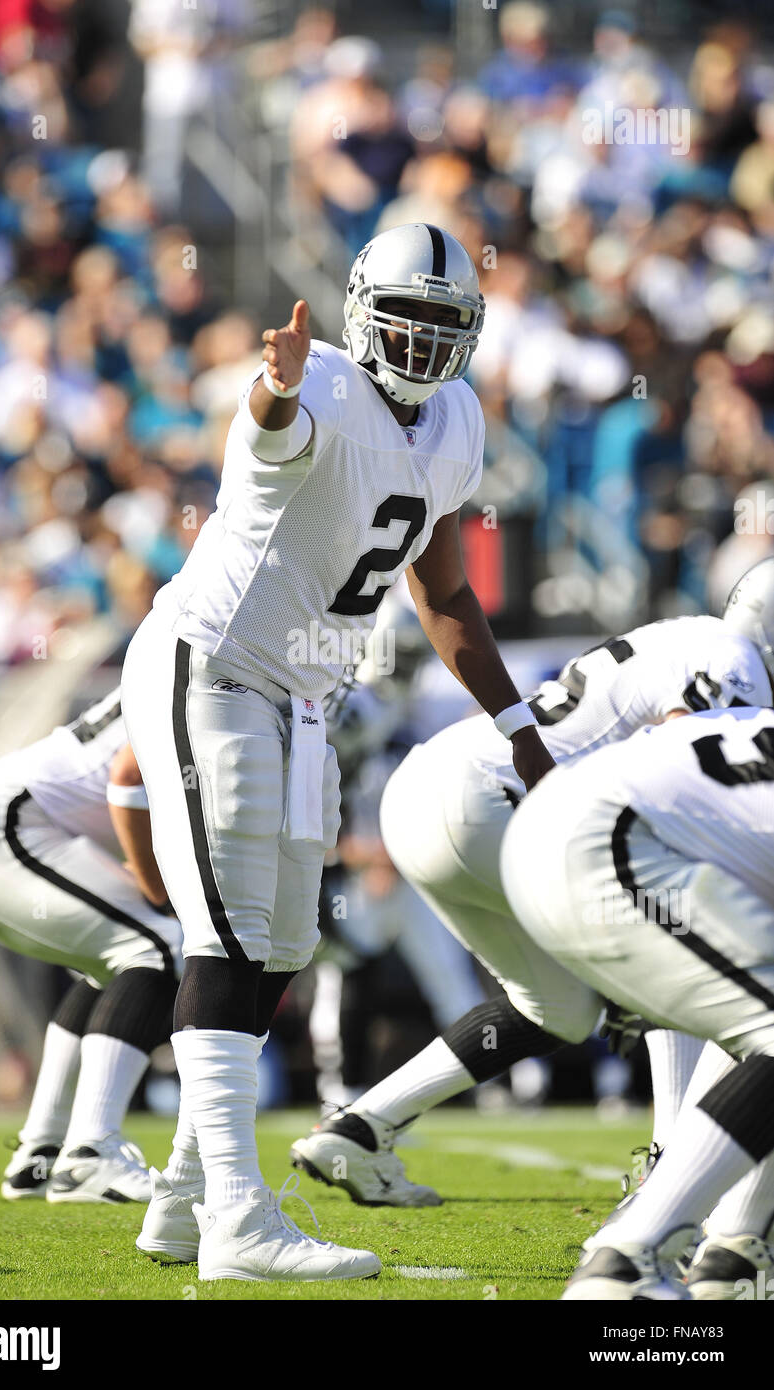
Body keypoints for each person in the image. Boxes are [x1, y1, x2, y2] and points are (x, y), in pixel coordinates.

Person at [121, 222, 554, 1282]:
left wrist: (519, 727)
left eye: (442, 323)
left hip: (305, 694)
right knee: (225, 935)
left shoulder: (455, 419)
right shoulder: (307, 376)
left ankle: (184, 1196)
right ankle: (235, 1221)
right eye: (403, 318)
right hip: (214, 664)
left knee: (278, 948)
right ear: (362, 307)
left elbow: (444, 590)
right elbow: (273, 434)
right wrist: (271, 392)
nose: (419, 342)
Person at [290, 563, 774, 1205]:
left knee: (559, 1008)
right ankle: (668, 1169)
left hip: (434, 789)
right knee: (679, 937)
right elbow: (678, 761)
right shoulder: (732, 660)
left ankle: (360, 1127)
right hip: (498, 795)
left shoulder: (687, 637)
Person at [501, 703, 774, 1300]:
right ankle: (629, 1257)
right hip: (609, 842)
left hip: (545, 832)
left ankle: (732, 1254)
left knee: (759, 1015)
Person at [0, 686, 182, 1204]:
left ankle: (41, 1153)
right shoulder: (206, 664)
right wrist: (157, 890)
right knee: (160, 946)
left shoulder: (182, 653)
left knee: (114, 961)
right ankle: (92, 1152)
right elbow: (128, 779)